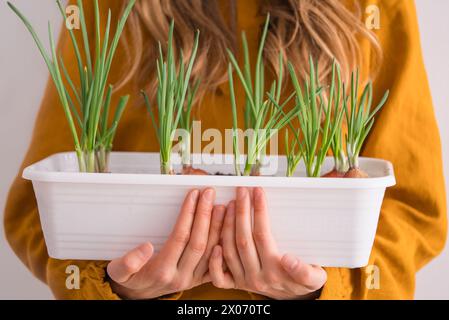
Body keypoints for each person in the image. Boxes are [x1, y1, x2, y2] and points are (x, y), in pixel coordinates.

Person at [4, 0, 446, 300]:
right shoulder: (105, 8)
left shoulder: (367, 8)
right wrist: (113, 286)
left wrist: (327, 287)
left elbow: (413, 208)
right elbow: (36, 208)